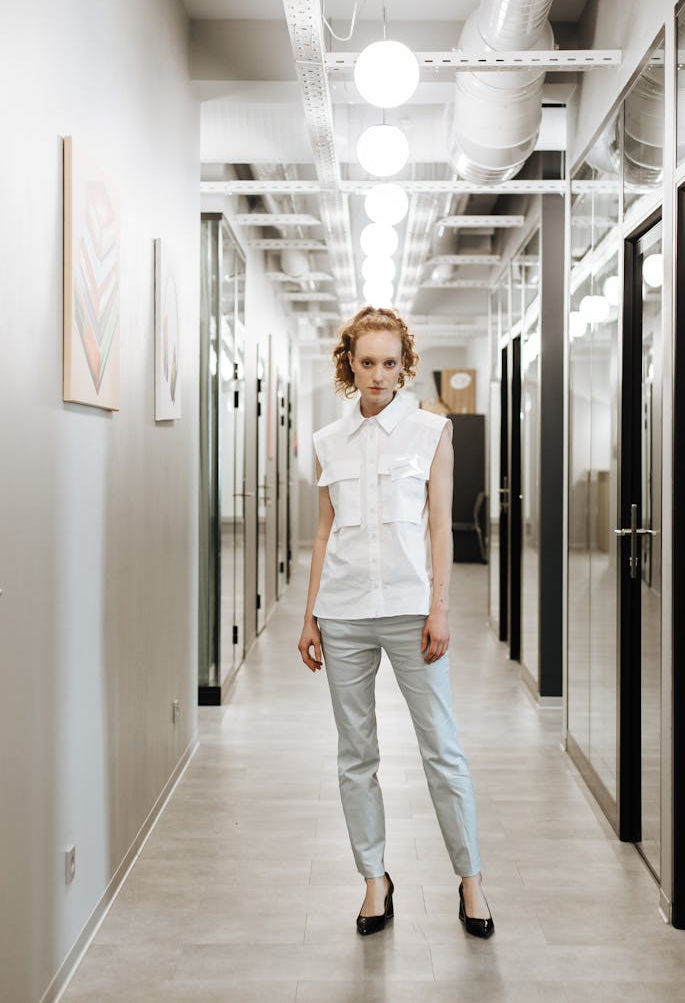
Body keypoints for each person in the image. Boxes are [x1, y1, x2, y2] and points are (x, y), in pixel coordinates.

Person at [298, 306, 493, 939]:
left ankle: (471, 882)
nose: (378, 375)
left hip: (412, 612)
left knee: (442, 749)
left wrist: (441, 607)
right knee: (356, 754)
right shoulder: (329, 441)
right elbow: (324, 531)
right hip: (345, 613)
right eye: (366, 362)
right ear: (348, 364)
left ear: (404, 365)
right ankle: (374, 882)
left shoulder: (432, 432)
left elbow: (441, 524)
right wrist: (309, 618)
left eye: (389, 363)